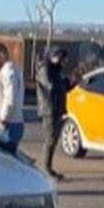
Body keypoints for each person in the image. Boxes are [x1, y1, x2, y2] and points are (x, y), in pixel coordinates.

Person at [36, 47, 69, 180]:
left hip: (57, 109)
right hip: (48, 110)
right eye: (61, 58)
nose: (63, 62)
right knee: (50, 139)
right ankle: (46, 169)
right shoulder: (45, 70)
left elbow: (63, 88)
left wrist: (73, 81)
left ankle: (48, 167)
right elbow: (51, 86)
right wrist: (65, 82)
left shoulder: (57, 71)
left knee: (54, 139)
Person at [0, 42, 25, 151]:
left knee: (2, 158)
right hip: (11, 124)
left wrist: (2, 121)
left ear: (2, 55)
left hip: (7, 126)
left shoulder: (8, 71)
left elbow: (10, 99)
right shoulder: (13, 70)